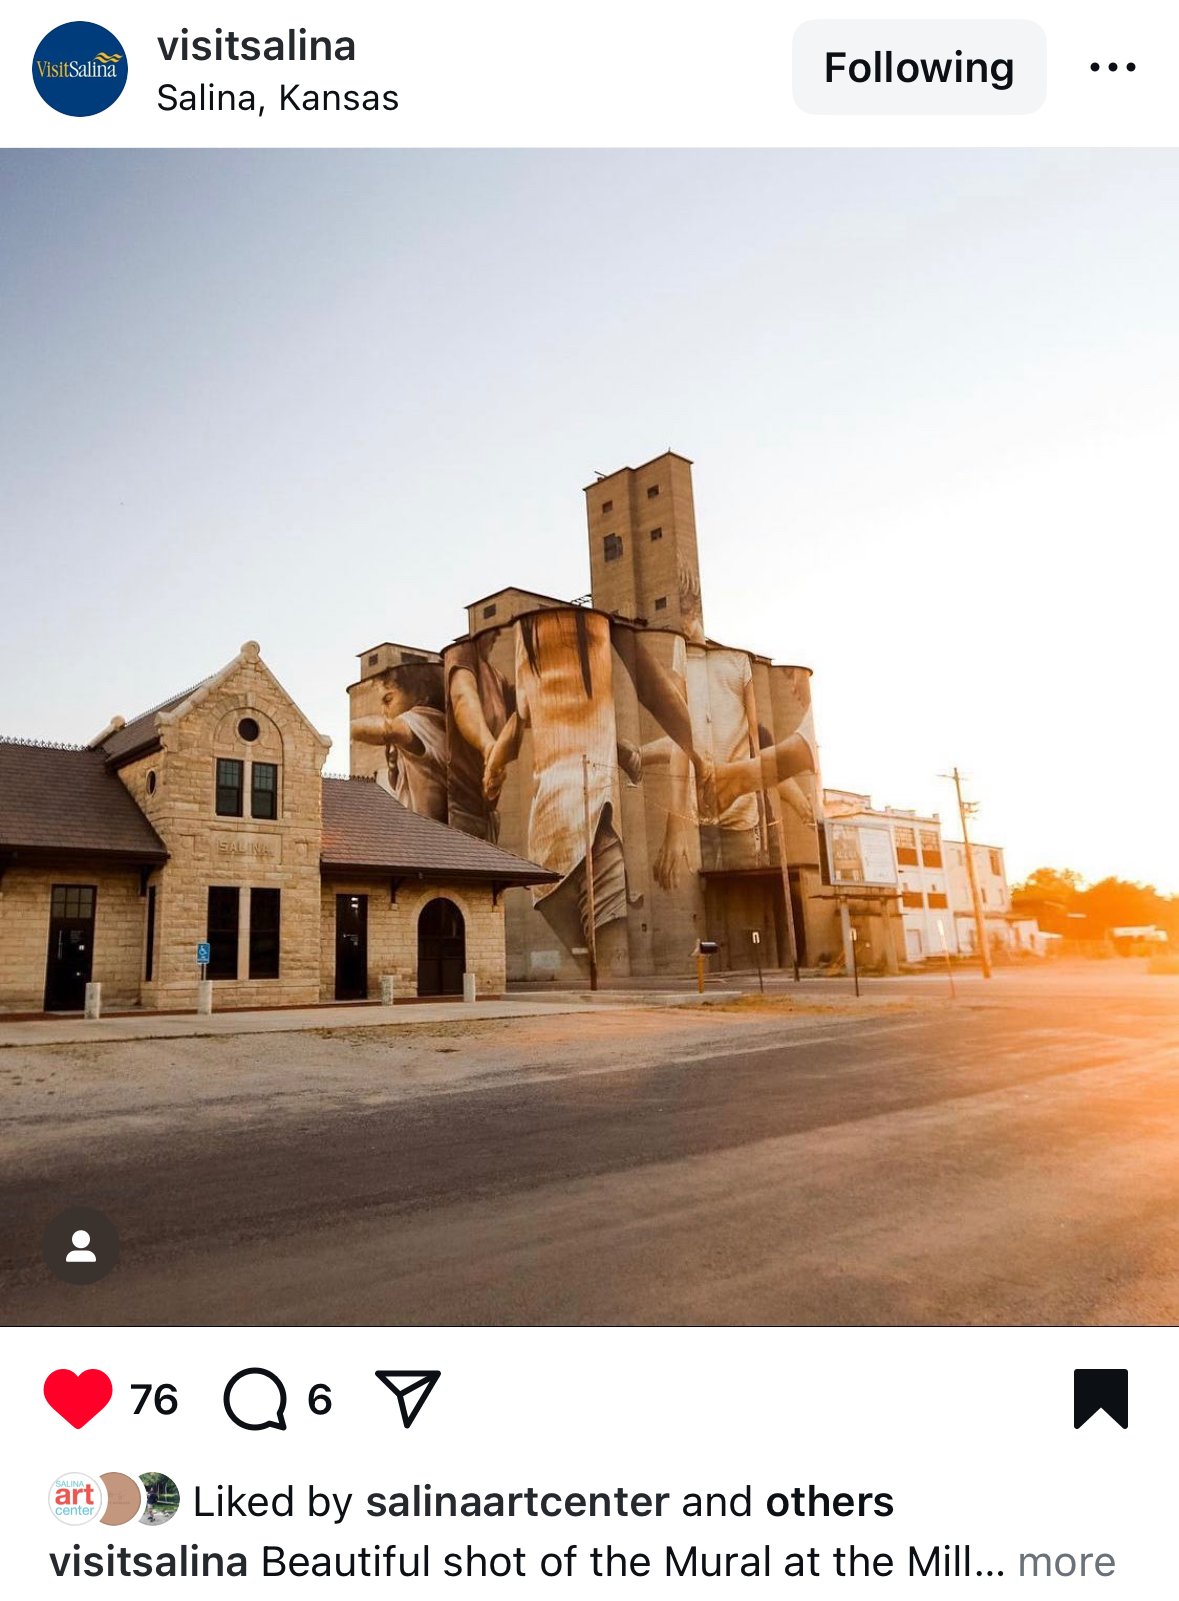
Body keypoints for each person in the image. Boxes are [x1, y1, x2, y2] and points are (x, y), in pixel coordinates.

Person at [351, 663, 449, 822]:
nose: (384, 711)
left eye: (388, 700)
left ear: (419, 694)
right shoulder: (411, 737)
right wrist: (392, 767)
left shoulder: (426, 720)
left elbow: (387, 730)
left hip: (429, 832)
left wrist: (347, 728)